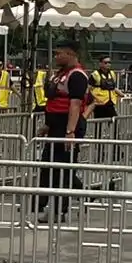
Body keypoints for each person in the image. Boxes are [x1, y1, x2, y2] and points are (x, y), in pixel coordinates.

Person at [36, 42, 90, 223]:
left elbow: (75, 105)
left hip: (68, 127)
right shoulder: (60, 75)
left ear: (70, 53)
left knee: (64, 170)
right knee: (48, 166)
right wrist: (48, 125)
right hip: (55, 126)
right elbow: (53, 101)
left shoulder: (77, 76)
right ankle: (44, 203)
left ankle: (60, 210)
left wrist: (70, 131)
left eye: (59, 54)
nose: (56, 57)